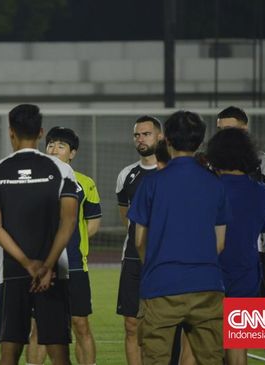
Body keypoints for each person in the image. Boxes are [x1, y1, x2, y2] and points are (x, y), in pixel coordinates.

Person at [0, 104, 78, 365]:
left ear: (11, 133)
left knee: (10, 353)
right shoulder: (61, 170)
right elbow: (68, 223)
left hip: (12, 272)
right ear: (41, 132)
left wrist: (26, 263)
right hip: (55, 272)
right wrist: (46, 265)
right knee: (59, 353)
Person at [128, 110, 229, 364]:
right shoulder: (216, 184)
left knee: (156, 359)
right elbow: (220, 242)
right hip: (207, 285)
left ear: (167, 141)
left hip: (161, 285)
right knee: (211, 359)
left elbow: (140, 241)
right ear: (199, 142)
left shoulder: (151, 184)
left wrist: (153, 267)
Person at [25, 127, 101, 365]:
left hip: (76, 265)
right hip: (42, 266)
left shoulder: (85, 183)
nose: (53, 149)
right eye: (50, 144)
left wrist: (66, 243)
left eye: (61, 146)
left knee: (80, 324)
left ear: (72, 153)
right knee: (38, 328)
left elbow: (93, 224)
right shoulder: (32, 179)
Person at [217, 106, 265, 364]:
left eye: (230, 129)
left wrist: (263, 242)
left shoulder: (264, 163)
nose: (224, 134)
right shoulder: (214, 164)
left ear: (244, 129)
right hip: (223, 258)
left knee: (259, 322)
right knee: (224, 329)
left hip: (252, 256)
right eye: (221, 129)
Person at [207, 127, 265, 365]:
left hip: (210, 275)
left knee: (203, 346)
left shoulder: (209, 188)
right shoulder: (263, 192)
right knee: (239, 346)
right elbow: (263, 227)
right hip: (248, 274)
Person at [115, 116, 163, 364]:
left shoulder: (170, 172)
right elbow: (127, 218)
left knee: (164, 323)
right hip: (134, 257)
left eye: (146, 134)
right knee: (132, 324)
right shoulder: (127, 175)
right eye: (137, 135)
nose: (141, 139)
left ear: (160, 137)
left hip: (165, 258)